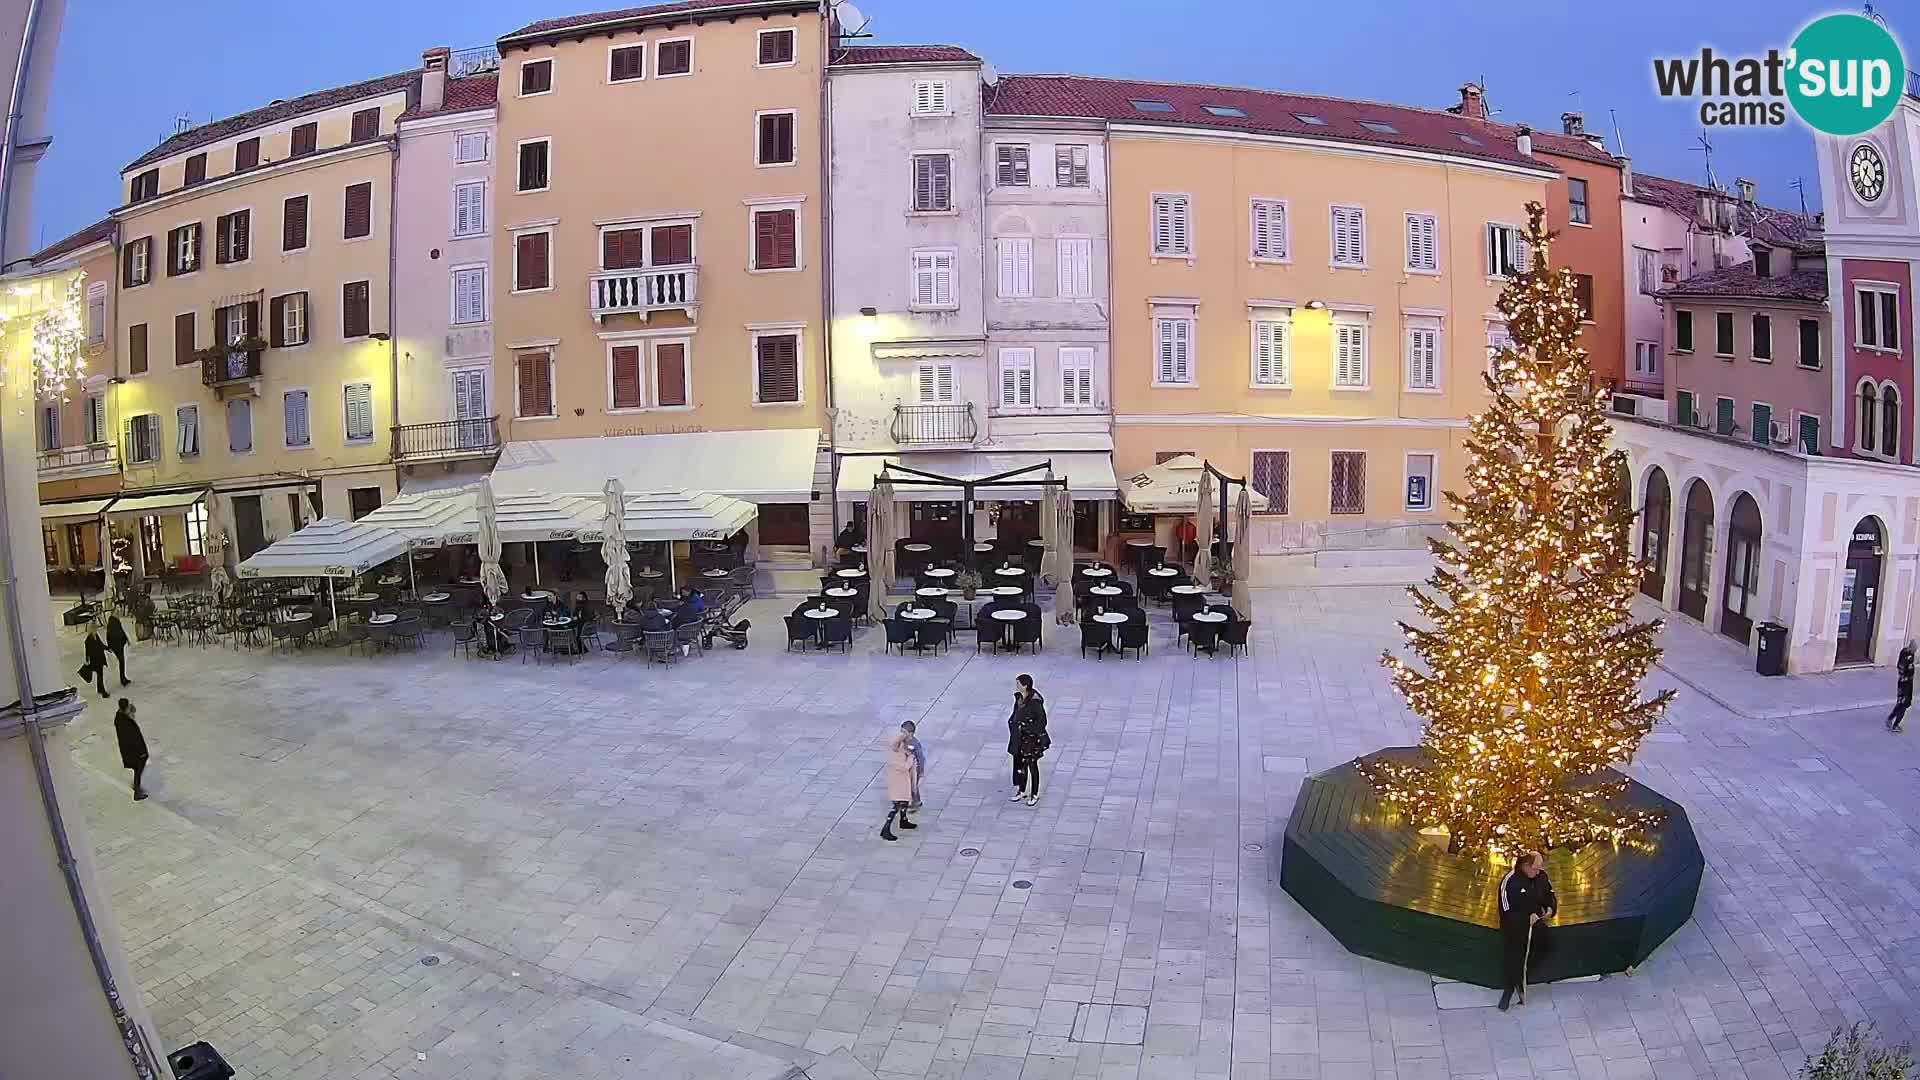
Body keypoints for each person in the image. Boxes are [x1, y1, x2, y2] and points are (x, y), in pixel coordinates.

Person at [1497, 851, 1556, 1011]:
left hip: (1536, 920)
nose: (1538, 872)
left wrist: (1550, 908)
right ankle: (1509, 989)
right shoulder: (1510, 881)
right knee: (1515, 954)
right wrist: (1524, 919)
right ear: (1525, 866)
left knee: (1546, 945)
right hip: (1515, 925)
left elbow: (1549, 894)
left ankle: (1523, 974)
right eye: (1535, 869)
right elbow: (1506, 910)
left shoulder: (1541, 877)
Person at [1007, 674, 1049, 807]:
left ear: (1025, 685)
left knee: (1032, 766)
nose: (1017, 686)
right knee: (1020, 764)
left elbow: (1042, 722)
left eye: (1018, 684)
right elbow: (1016, 713)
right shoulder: (1019, 698)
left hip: (1031, 739)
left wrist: (1026, 726)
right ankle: (1021, 790)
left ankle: (1034, 794)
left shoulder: (1035, 701)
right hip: (1019, 737)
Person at [879, 730, 919, 841]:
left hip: (903, 782)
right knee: (897, 805)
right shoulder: (894, 755)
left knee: (904, 802)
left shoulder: (901, 748)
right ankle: (885, 829)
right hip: (897, 783)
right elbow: (905, 766)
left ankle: (903, 820)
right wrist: (911, 757)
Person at [114, 699, 149, 802]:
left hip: (128, 750)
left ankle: (136, 786)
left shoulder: (119, 717)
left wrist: (130, 712)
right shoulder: (125, 722)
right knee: (139, 767)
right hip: (134, 750)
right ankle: (137, 792)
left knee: (137, 767)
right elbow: (133, 738)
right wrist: (141, 752)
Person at [901, 720, 927, 812]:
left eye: (904, 732)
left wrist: (921, 771)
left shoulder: (915, 743)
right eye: (901, 731)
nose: (902, 734)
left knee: (913, 786)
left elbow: (921, 757)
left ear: (910, 733)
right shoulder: (902, 741)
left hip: (914, 769)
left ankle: (917, 802)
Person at [1889, 641, 1915, 732]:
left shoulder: (1903, 652)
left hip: (1901, 682)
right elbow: (1909, 672)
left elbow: (1899, 666)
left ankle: (1890, 719)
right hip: (1906, 685)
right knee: (1903, 705)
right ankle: (1895, 725)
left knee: (1899, 702)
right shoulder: (1910, 657)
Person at [79, 629, 110, 699]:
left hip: (100, 659)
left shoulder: (96, 636)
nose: (96, 630)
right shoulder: (88, 640)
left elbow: (101, 645)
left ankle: (100, 689)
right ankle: (103, 691)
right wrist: (87, 659)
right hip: (95, 661)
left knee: (100, 675)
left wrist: (107, 648)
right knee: (100, 676)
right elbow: (87, 650)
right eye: (94, 628)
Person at [104, 614, 132, 687]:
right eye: (117, 612)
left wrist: (126, 639)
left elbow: (121, 631)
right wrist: (110, 646)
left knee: (122, 661)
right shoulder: (112, 624)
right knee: (121, 661)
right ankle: (123, 679)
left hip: (119, 644)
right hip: (116, 646)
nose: (119, 614)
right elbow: (109, 636)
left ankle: (123, 678)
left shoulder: (117, 622)